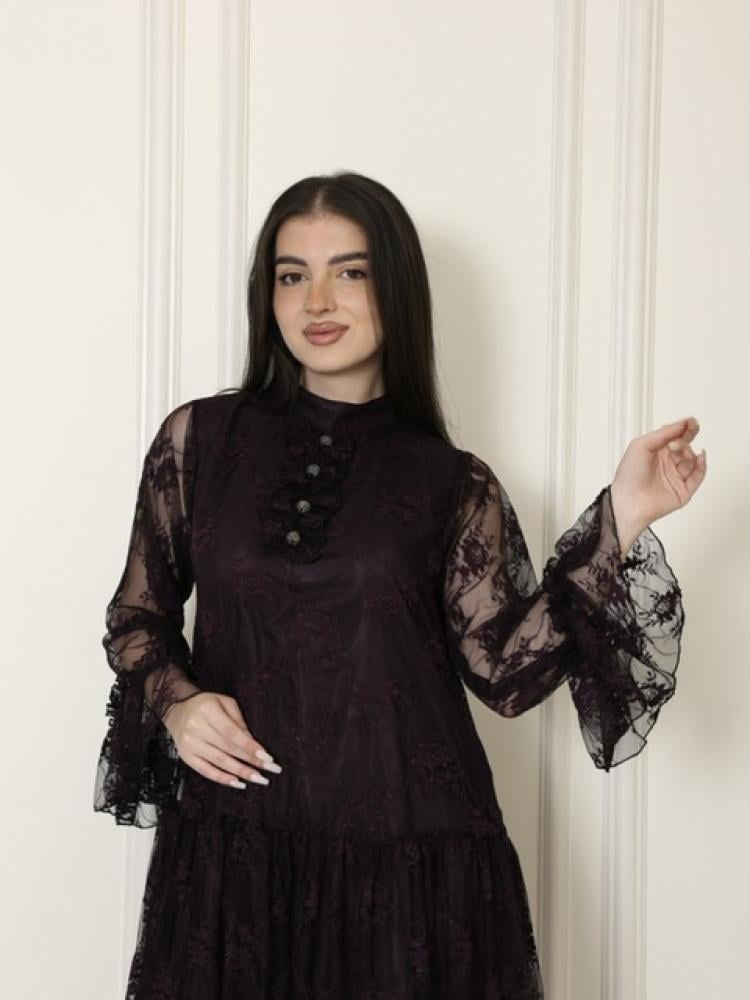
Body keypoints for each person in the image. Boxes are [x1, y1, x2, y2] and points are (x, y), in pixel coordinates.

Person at [93, 171, 706, 999]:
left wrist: (625, 513)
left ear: (397, 287)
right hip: (234, 856)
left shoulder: (452, 482)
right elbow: (138, 616)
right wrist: (178, 702)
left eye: (350, 272)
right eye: (291, 275)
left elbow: (506, 674)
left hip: (411, 869)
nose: (317, 300)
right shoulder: (199, 440)